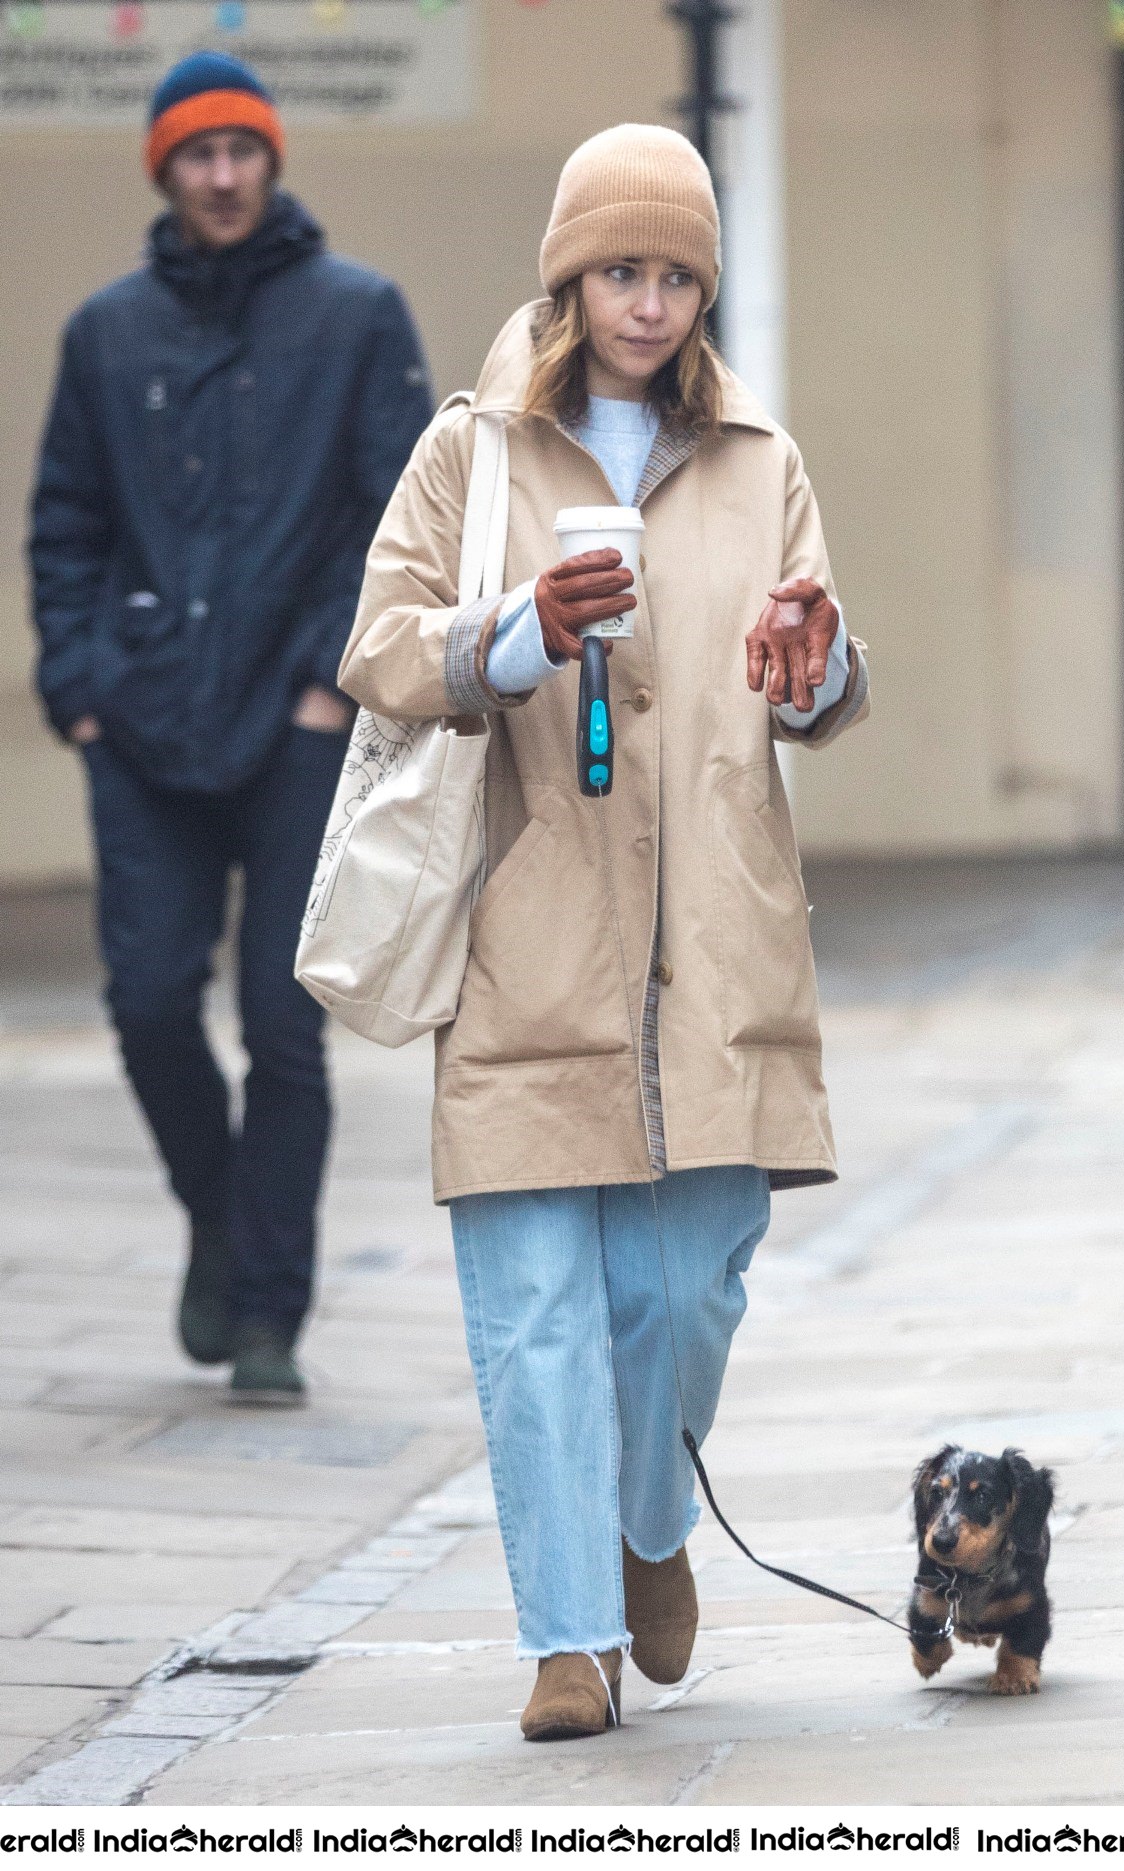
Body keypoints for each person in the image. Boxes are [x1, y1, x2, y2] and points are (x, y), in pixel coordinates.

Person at [339, 123, 869, 1740]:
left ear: (704, 288)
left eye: (675, 275)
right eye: (622, 270)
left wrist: (818, 663)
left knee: (685, 1294)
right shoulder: (473, 452)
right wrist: (510, 635)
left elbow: (821, 680)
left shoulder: (760, 457)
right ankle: (566, 1640)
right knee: (536, 1314)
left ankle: (652, 1532)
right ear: (570, 275)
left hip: (714, 937)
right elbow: (380, 649)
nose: (647, 303)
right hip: (527, 927)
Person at [29, 51, 434, 1402]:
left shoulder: (359, 316)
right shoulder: (107, 333)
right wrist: (79, 690)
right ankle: (222, 1211)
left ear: (271, 160)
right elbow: (64, 523)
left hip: (298, 720)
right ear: (164, 169)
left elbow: (399, 519)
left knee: (284, 1022)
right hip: (139, 726)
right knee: (148, 1003)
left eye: (239, 151)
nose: (219, 175)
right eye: (194, 155)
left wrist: (333, 677)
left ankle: (268, 1313)